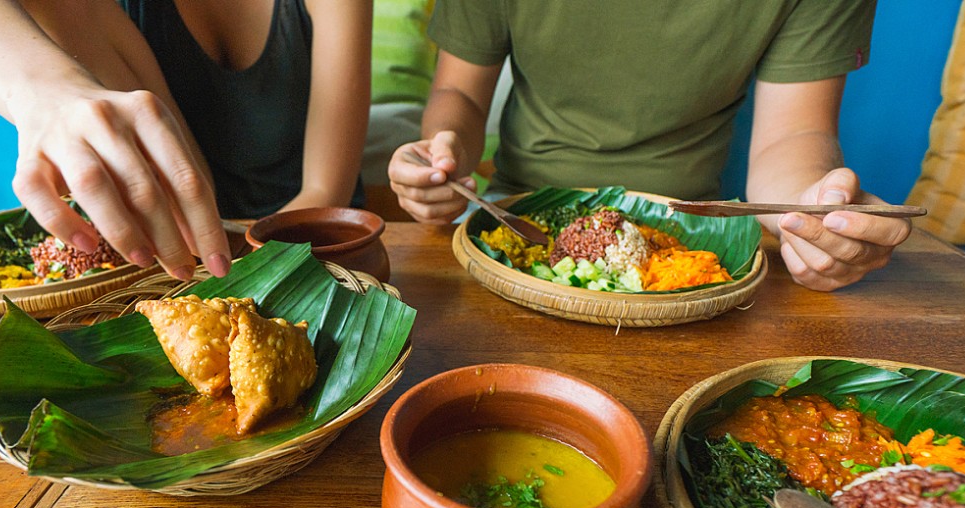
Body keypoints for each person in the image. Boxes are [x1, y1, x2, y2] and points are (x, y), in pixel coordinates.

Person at [387, 0, 912, 292]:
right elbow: (458, 93)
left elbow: (794, 135)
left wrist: (814, 215)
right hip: (513, 216)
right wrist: (440, 157)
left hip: (690, 237)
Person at [0, 0, 372, 280]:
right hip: (179, 262)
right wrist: (51, 93)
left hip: (321, 251)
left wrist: (227, 273)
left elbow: (323, 193)